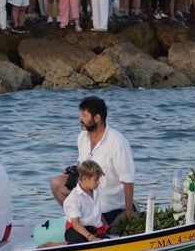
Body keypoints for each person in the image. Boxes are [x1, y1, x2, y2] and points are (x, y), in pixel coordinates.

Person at [49, 96, 135, 227]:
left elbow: (127, 179)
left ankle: (94, 224)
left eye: (84, 115)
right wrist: (73, 172)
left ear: (97, 118)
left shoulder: (117, 141)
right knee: (56, 184)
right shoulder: (82, 137)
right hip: (87, 195)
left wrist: (128, 211)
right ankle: (76, 218)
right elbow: (81, 166)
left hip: (109, 204)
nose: (80, 119)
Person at [63, 159, 108, 243]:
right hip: (75, 229)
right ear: (85, 178)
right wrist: (91, 238)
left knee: (106, 240)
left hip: (91, 227)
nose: (98, 183)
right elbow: (75, 224)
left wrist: (105, 225)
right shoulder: (74, 198)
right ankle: (56, 245)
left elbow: (96, 211)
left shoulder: (95, 190)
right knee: (81, 241)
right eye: (95, 180)